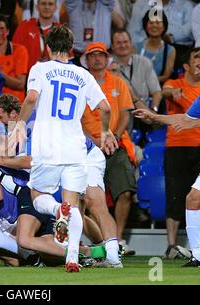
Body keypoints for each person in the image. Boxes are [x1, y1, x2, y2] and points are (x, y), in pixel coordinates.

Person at [9, 26, 118, 272]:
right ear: (71, 48)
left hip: (47, 147)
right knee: (74, 204)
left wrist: (19, 125)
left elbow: (31, 99)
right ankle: (71, 257)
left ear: (47, 46)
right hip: (75, 148)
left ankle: (57, 209)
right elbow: (106, 107)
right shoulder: (84, 75)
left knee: (38, 199)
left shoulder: (40, 68)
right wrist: (105, 130)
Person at [134, 47, 200, 267]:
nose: (196, 72)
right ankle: (198, 255)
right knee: (193, 199)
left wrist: (195, 124)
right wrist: (154, 116)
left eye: (199, 67)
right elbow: (185, 118)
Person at [82, 42, 137, 256]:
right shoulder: (81, 84)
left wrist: (111, 136)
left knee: (125, 192)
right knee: (86, 198)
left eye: (101, 55)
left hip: (115, 144)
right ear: (86, 60)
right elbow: (76, 119)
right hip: (87, 146)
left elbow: (125, 114)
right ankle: (102, 240)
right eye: (92, 55)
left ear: (107, 59)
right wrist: (92, 141)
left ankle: (119, 240)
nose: (97, 59)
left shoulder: (119, 83)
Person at [161, 47, 200, 259]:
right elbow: (165, 91)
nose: (198, 65)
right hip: (176, 147)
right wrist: (172, 93)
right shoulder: (175, 83)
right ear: (186, 66)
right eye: (195, 61)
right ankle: (171, 246)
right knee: (175, 196)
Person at [12, 0, 60, 72]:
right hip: (28, 76)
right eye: (43, 3)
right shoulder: (24, 26)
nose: (47, 7)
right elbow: (14, 54)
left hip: (53, 77)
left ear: (56, 7)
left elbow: (67, 59)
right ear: (37, 7)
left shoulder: (61, 31)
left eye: (50, 4)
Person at [135, 9, 176, 85]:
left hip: (159, 89)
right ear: (145, 26)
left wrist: (146, 81)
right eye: (151, 22)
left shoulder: (170, 50)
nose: (154, 25)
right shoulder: (136, 47)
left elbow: (166, 76)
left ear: (164, 27)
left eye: (158, 22)